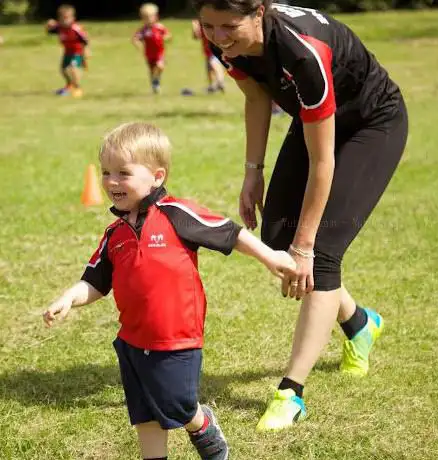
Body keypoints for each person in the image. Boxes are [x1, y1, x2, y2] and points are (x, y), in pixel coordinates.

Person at [192, 0, 409, 431]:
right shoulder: (227, 41)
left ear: (259, 11)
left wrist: (307, 245)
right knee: (277, 241)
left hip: (370, 122)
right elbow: (256, 96)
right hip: (316, 119)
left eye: (228, 26)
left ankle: (292, 392)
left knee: (318, 254)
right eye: (208, 26)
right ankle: (360, 323)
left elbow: (322, 162)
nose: (217, 37)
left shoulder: (301, 51)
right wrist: (253, 172)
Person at [43, 122, 296, 459]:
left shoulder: (176, 214)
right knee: (145, 415)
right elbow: (95, 281)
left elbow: (229, 232)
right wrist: (69, 298)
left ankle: (201, 425)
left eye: (123, 172)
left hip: (177, 337)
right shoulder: (114, 233)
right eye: (105, 172)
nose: (111, 182)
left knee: (176, 402)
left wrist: (269, 256)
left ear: (157, 176)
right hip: (132, 340)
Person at [45, 4, 89, 98]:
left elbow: (85, 39)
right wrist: (48, 25)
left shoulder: (75, 28)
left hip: (77, 52)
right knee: (63, 70)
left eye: (67, 18)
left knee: (73, 69)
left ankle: (77, 88)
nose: (64, 21)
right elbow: (49, 31)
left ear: (72, 18)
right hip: (67, 52)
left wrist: (86, 51)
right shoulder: (59, 27)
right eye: (62, 18)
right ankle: (69, 86)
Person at [132, 3, 171, 94]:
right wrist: (137, 43)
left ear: (156, 17)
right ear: (142, 18)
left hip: (159, 53)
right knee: (152, 70)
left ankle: (155, 81)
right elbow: (136, 38)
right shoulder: (143, 30)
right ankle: (155, 84)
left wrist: (166, 38)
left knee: (160, 66)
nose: (149, 20)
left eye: (150, 17)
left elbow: (168, 35)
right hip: (149, 54)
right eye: (146, 17)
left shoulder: (159, 27)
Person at [192, 19, 225, 93]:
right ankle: (212, 86)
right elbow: (196, 36)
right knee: (209, 67)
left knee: (214, 64)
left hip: (214, 48)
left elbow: (197, 36)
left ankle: (220, 83)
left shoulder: (210, 21)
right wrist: (195, 27)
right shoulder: (201, 23)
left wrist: (195, 27)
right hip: (208, 50)